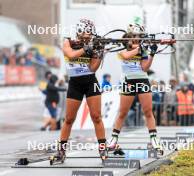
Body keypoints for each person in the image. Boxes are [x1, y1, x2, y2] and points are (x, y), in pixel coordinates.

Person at [51, 18, 107, 162]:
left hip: (90, 82)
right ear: (80, 31)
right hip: (74, 83)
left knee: (96, 117)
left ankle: (103, 149)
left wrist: (99, 53)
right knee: (69, 119)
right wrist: (86, 48)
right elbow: (70, 55)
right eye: (87, 33)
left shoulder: (94, 44)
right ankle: (61, 151)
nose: (89, 36)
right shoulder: (68, 41)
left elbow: (92, 68)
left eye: (91, 34)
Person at [108, 22, 163, 154]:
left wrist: (152, 54)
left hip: (142, 80)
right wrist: (140, 47)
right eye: (137, 36)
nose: (139, 38)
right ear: (131, 35)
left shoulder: (142, 48)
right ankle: (114, 139)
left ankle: (154, 139)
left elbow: (145, 67)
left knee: (148, 112)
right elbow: (126, 56)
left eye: (141, 36)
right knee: (122, 113)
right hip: (128, 81)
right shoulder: (122, 46)